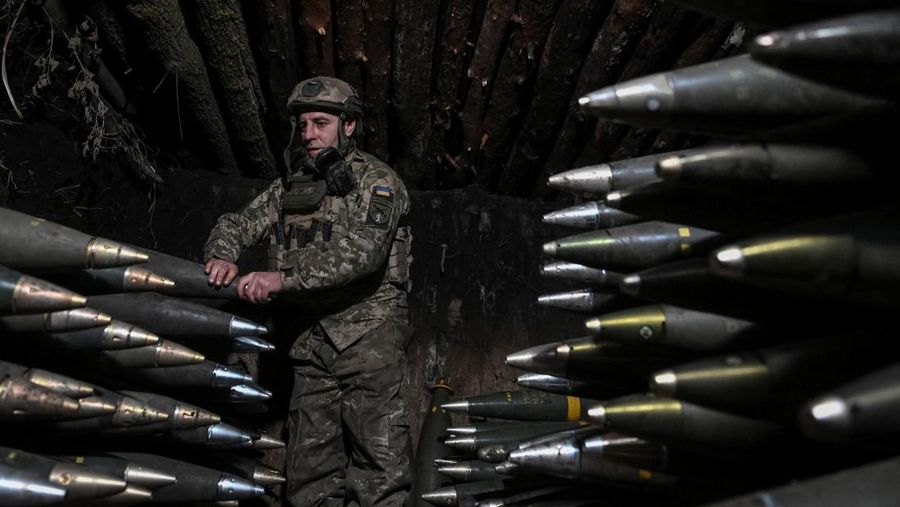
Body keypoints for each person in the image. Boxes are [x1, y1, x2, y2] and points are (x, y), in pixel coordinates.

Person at [203, 76, 413, 506]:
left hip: (368, 340)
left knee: (380, 472)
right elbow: (238, 223)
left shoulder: (378, 181)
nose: (309, 134)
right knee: (308, 477)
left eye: (321, 123)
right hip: (311, 344)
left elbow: (365, 254)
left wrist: (281, 279)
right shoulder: (293, 184)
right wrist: (222, 254)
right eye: (303, 125)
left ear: (348, 126)